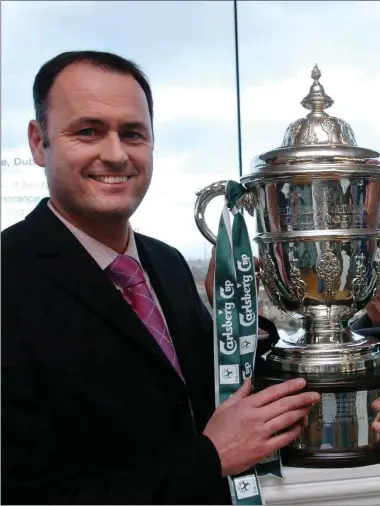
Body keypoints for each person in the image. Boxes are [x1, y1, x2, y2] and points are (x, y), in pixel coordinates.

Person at [1, 50, 322, 505]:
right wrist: (209, 458)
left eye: (132, 134)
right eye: (88, 131)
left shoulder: (166, 264)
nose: (115, 155)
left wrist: (240, 318)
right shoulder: (7, 280)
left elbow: (222, 397)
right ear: (38, 142)